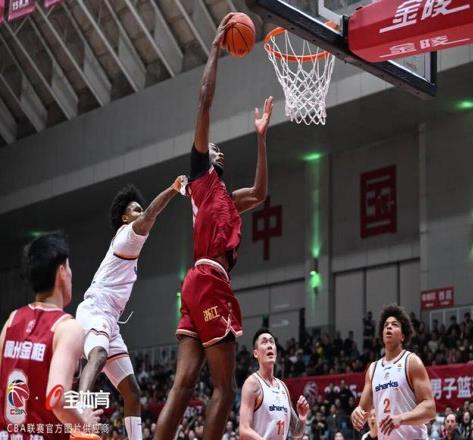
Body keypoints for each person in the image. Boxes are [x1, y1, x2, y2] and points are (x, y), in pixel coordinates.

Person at [154, 12, 273, 440]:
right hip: (209, 280)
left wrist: (261, 139)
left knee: (184, 384)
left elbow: (260, 193)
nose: (216, 149)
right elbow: (204, 102)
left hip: (195, 285)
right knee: (225, 388)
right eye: (212, 148)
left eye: (219, 149)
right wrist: (213, 51)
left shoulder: (226, 197)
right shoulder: (201, 178)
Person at [76, 178, 184, 440]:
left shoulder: (129, 246)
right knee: (98, 354)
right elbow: (150, 214)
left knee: (132, 391)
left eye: (140, 208)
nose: (141, 212)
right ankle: (79, 416)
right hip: (96, 308)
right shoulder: (127, 236)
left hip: (111, 320)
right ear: (125, 218)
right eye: (135, 209)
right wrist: (172, 189)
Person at [0, 233, 101, 439]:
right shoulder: (67, 328)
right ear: (62, 272)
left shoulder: (12, 321)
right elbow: (57, 399)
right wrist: (84, 426)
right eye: (69, 268)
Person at [351, 304, 436, 439]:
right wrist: (356, 413)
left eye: (394, 324)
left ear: (402, 336)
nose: (389, 327)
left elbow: (430, 409)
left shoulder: (411, 362)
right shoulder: (373, 369)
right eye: (386, 325)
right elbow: (363, 410)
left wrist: (401, 418)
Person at [239, 329, 309, 440]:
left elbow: (297, 434)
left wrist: (302, 418)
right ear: (256, 353)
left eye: (272, 342)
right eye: (264, 342)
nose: (269, 345)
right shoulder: (252, 383)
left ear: (276, 353)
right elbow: (244, 430)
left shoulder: (283, 387)